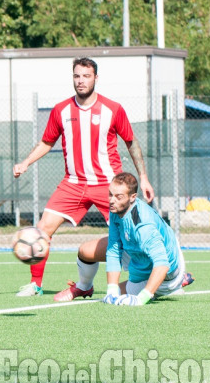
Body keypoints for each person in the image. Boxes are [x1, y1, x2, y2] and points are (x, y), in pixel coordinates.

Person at [12, 57, 155, 298]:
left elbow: (131, 142)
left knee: (136, 230)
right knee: (42, 229)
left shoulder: (113, 109)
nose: (81, 81)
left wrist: (143, 177)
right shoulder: (61, 110)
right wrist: (26, 162)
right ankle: (36, 284)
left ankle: (171, 273)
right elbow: (47, 142)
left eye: (86, 76)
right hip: (73, 183)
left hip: (108, 184)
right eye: (77, 76)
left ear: (95, 78)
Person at [102, 172, 194, 306]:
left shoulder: (143, 224)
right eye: (110, 194)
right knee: (88, 251)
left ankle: (172, 286)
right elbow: (113, 250)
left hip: (168, 273)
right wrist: (111, 290)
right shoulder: (117, 209)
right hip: (143, 258)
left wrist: (141, 298)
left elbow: (162, 264)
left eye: (118, 197)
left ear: (132, 197)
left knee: (125, 296)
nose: (111, 200)